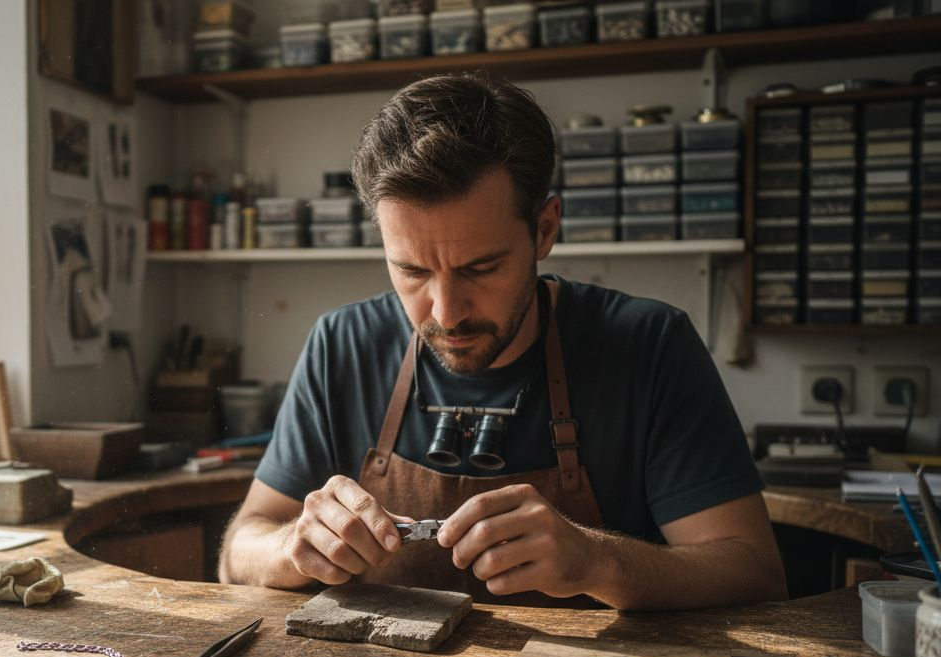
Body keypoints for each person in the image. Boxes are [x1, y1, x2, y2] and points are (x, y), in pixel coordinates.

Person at [217, 74, 787, 610]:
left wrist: (599, 561)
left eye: (481, 268)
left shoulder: (650, 347)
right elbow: (238, 552)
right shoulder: (342, 345)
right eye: (412, 271)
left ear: (544, 229)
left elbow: (753, 572)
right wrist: (293, 545)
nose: (446, 313)